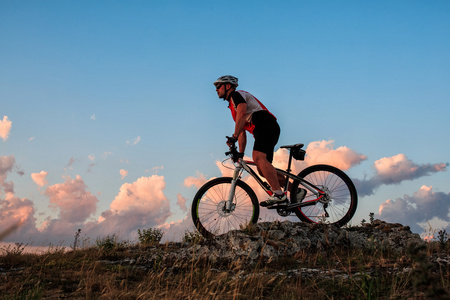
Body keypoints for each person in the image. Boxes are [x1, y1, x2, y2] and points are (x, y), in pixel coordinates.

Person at [214, 75, 287, 206]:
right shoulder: (232, 107)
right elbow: (242, 132)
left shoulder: (236, 95)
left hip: (265, 125)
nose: (216, 89)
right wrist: (240, 154)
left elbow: (242, 115)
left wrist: (234, 137)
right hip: (264, 128)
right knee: (262, 168)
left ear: (228, 86)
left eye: (218, 86)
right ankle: (295, 190)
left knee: (258, 158)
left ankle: (279, 194)